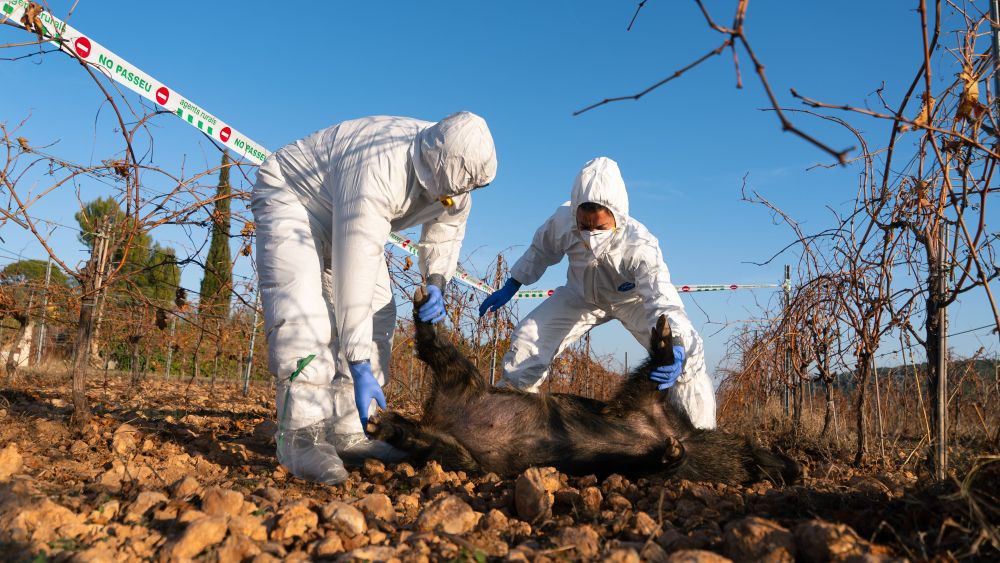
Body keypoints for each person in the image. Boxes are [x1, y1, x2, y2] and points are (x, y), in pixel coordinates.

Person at [252, 112, 497, 484]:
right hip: (295, 200)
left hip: (344, 212)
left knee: (381, 313)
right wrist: (358, 362)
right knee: (304, 313)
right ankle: (300, 439)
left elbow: (447, 229)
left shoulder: (458, 176)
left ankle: (350, 429)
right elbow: (356, 271)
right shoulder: (379, 164)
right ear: (432, 164)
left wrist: (436, 280)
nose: (452, 197)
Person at [479, 157, 716, 429]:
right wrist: (514, 282)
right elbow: (541, 250)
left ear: (618, 216)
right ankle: (507, 424)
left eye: (601, 228)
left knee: (687, 359)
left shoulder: (640, 245)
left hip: (631, 301)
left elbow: (660, 297)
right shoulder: (562, 221)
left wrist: (677, 343)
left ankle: (701, 436)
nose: (591, 235)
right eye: (584, 226)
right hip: (580, 297)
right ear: (575, 215)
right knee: (527, 339)